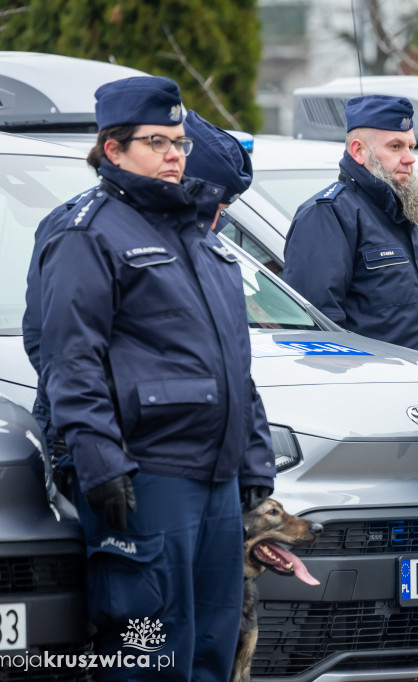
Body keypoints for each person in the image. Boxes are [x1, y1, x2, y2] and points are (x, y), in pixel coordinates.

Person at [35, 76, 274, 681]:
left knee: (214, 648)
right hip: (148, 476)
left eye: (180, 142)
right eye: (157, 142)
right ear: (113, 149)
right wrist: (101, 464)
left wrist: (252, 459)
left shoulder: (196, 233)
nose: (174, 155)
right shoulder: (87, 233)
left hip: (215, 480)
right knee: (150, 651)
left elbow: (233, 361)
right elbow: (70, 358)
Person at [23, 108, 255, 462]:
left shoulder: (195, 234)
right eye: (214, 207)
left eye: (223, 211)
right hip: (125, 442)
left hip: (191, 447)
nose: (217, 221)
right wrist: (105, 448)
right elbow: (58, 347)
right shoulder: (81, 226)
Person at [282, 94, 418, 361]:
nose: (409, 158)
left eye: (411, 147)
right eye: (396, 146)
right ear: (358, 151)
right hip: (376, 391)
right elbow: (317, 335)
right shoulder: (329, 214)